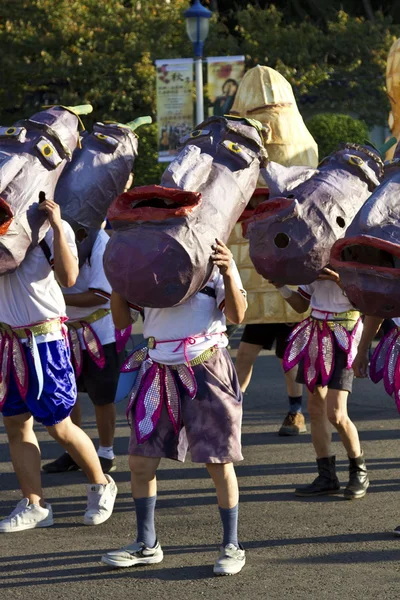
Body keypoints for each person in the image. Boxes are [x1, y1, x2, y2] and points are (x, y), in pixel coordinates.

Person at [101, 239, 248, 576]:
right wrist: (119, 281)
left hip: (207, 367)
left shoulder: (213, 258)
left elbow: (238, 314)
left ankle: (231, 544)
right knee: (140, 461)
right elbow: (122, 320)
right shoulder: (145, 259)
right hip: (156, 370)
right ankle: (146, 544)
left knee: (218, 461)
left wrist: (227, 271)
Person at [0, 199, 117, 533]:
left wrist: (55, 223)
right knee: (16, 424)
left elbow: (68, 277)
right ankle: (35, 504)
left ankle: (101, 483)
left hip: (45, 340)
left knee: (58, 425)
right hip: (8, 340)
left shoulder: (48, 227)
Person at [274, 268, 369, 499]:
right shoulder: (312, 261)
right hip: (316, 334)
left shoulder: (354, 260)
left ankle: (359, 471)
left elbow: (366, 303)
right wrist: (280, 285)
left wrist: (339, 280)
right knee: (316, 410)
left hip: (345, 336)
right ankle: (326, 476)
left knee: (336, 413)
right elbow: (301, 305)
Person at [42, 227, 124, 474]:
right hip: (61, 330)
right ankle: (74, 451)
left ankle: (106, 452)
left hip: (98, 332)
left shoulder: (100, 240)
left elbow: (100, 295)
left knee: (102, 396)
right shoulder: (46, 234)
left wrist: (50, 297)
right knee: (68, 395)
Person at [235, 324, 305, 436]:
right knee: (244, 356)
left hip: (289, 311)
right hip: (262, 310)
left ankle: (296, 412)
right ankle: (232, 408)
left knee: (288, 361)